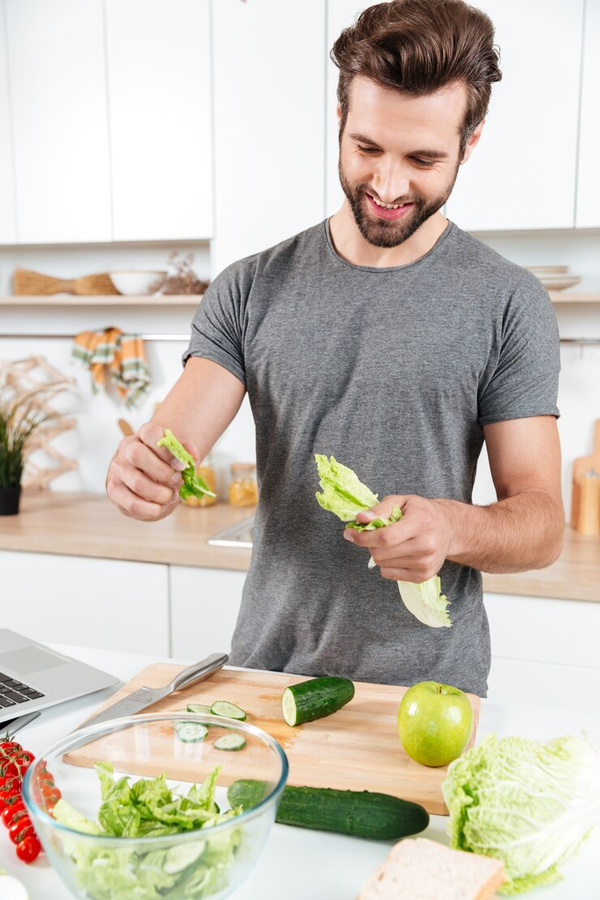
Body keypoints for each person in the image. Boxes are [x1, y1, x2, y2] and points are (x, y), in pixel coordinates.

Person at [106, 0, 564, 697]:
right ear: (339, 120)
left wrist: (450, 527)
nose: (386, 186)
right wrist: (142, 475)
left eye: (423, 159)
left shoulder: (508, 302)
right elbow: (171, 445)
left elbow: (541, 524)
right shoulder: (249, 289)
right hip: (265, 681)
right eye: (368, 148)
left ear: (470, 144)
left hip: (427, 697)